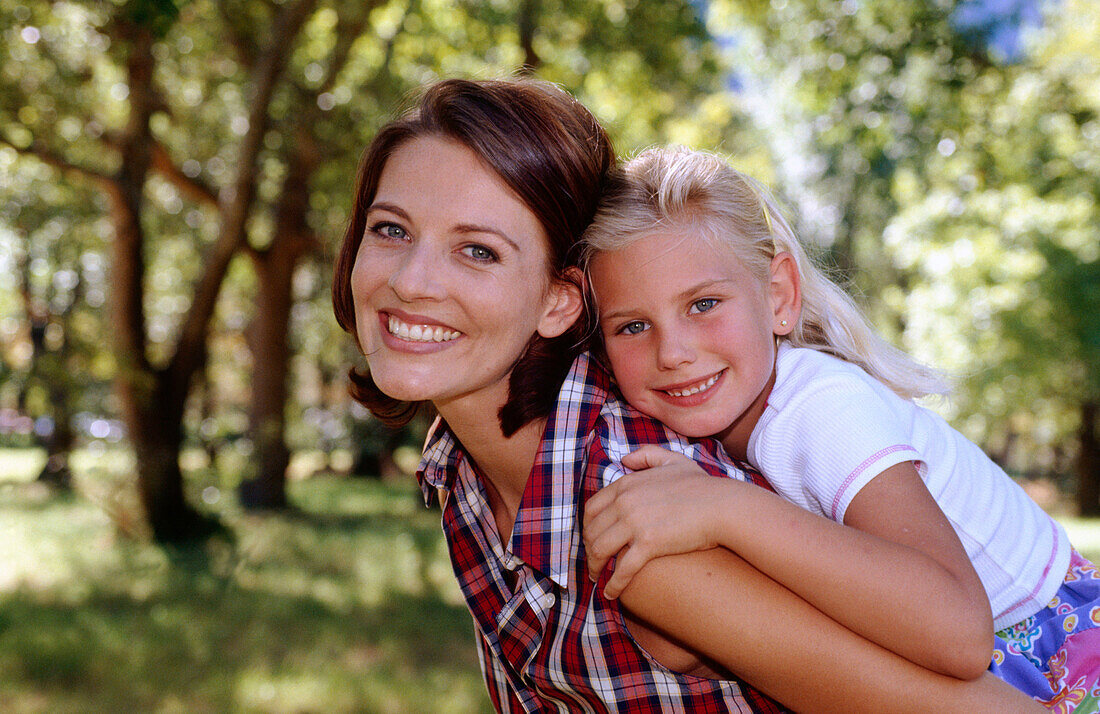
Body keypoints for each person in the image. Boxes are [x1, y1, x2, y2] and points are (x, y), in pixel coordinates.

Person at [332, 77, 1045, 712]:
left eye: (477, 250)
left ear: (558, 301)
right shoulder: (456, 467)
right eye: (391, 229)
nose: (412, 280)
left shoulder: (637, 496)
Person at [580, 145, 1100, 710]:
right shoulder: (701, 434)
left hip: (1057, 655)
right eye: (632, 326)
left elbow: (958, 634)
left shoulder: (819, 407)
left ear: (779, 295)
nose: (674, 352)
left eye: (704, 303)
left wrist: (723, 510)